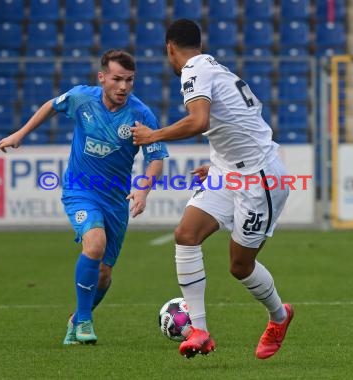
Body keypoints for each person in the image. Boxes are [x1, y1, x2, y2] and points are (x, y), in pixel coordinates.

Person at [131, 19, 293, 360]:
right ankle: (200, 331)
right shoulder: (212, 67)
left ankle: (279, 316)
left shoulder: (193, 70)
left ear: (169, 49)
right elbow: (233, 122)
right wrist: (220, 164)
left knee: (239, 266)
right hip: (229, 171)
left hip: (260, 178)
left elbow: (200, 121)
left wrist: (152, 135)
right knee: (185, 234)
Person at [0, 50, 169, 345]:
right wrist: (20, 134)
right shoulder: (81, 98)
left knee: (104, 275)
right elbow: (51, 106)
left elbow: (156, 158)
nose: (123, 87)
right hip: (80, 191)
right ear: (102, 78)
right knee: (95, 243)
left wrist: (142, 189)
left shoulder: (141, 115)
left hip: (115, 201)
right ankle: (86, 321)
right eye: (117, 79)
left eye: (129, 80)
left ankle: (76, 320)